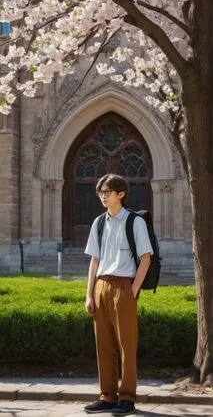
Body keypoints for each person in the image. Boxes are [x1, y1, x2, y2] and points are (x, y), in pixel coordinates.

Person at [84, 174, 153, 416]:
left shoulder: (135, 222)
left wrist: (133, 290)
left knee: (126, 346)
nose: (103, 196)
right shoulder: (99, 223)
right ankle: (107, 396)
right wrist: (89, 294)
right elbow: (95, 260)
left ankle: (127, 397)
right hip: (101, 287)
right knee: (103, 345)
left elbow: (146, 258)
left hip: (124, 286)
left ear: (120, 194)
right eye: (100, 192)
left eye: (107, 191)